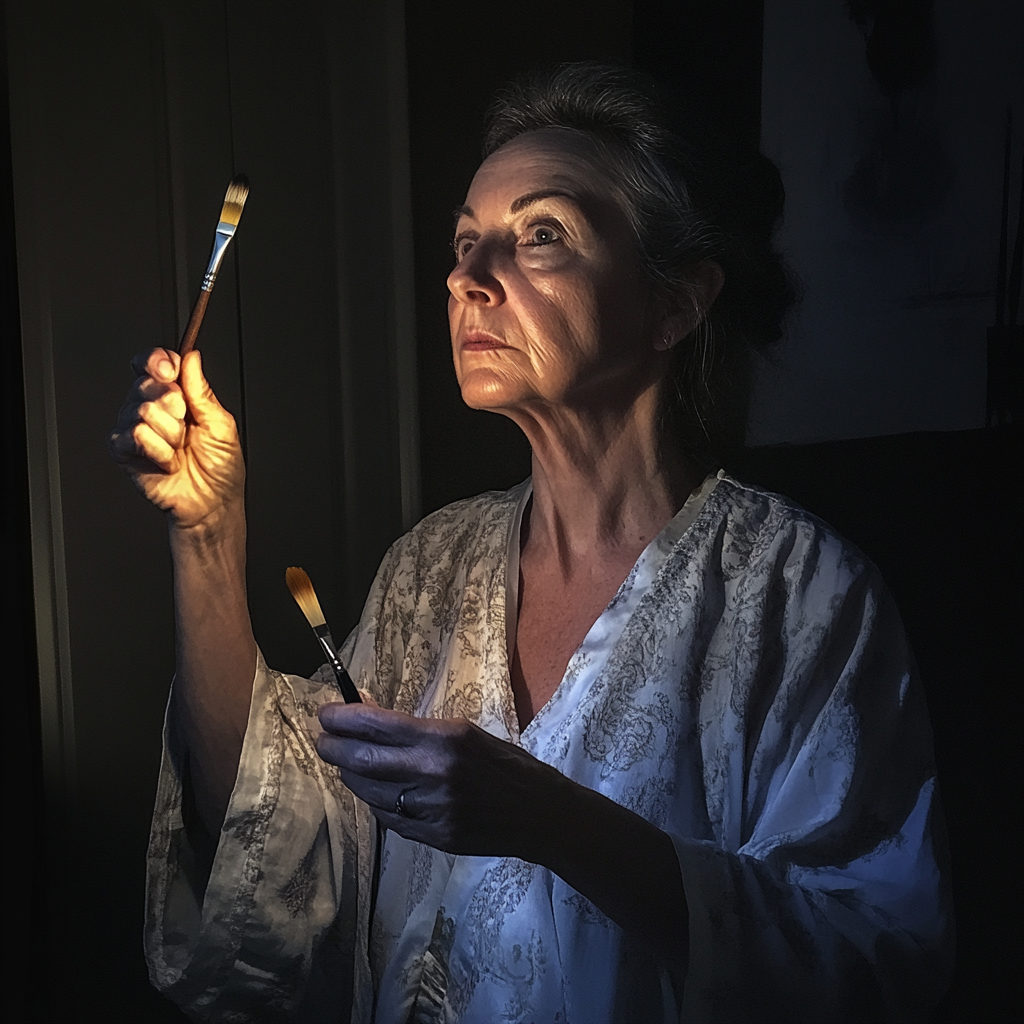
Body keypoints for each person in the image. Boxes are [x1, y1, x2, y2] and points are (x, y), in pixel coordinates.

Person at [110, 64, 952, 1023]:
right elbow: (278, 858)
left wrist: (551, 821)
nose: (466, 278)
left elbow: (873, 964)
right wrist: (207, 533)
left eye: (540, 235)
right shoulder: (431, 566)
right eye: (467, 241)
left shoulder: (801, 600)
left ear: (677, 303)